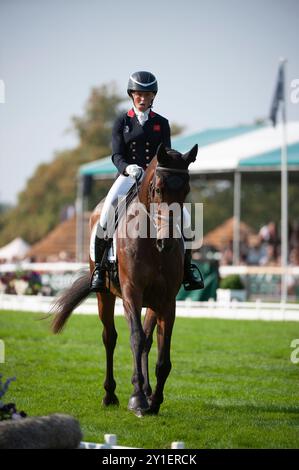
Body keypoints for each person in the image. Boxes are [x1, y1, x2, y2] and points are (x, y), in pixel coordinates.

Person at [90, 70, 203, 292]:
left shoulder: (162, 123)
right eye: (139, 94)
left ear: (153, 96)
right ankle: (100, 270)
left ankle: (187, 269)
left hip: (155, 182)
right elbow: (116, 154)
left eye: (148, 95)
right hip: (127, 177)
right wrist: (127, 168)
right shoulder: (122, 121)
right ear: (132, 95)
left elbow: (167, 153)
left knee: (187, 219)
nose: (143, 99)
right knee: (105, 215)